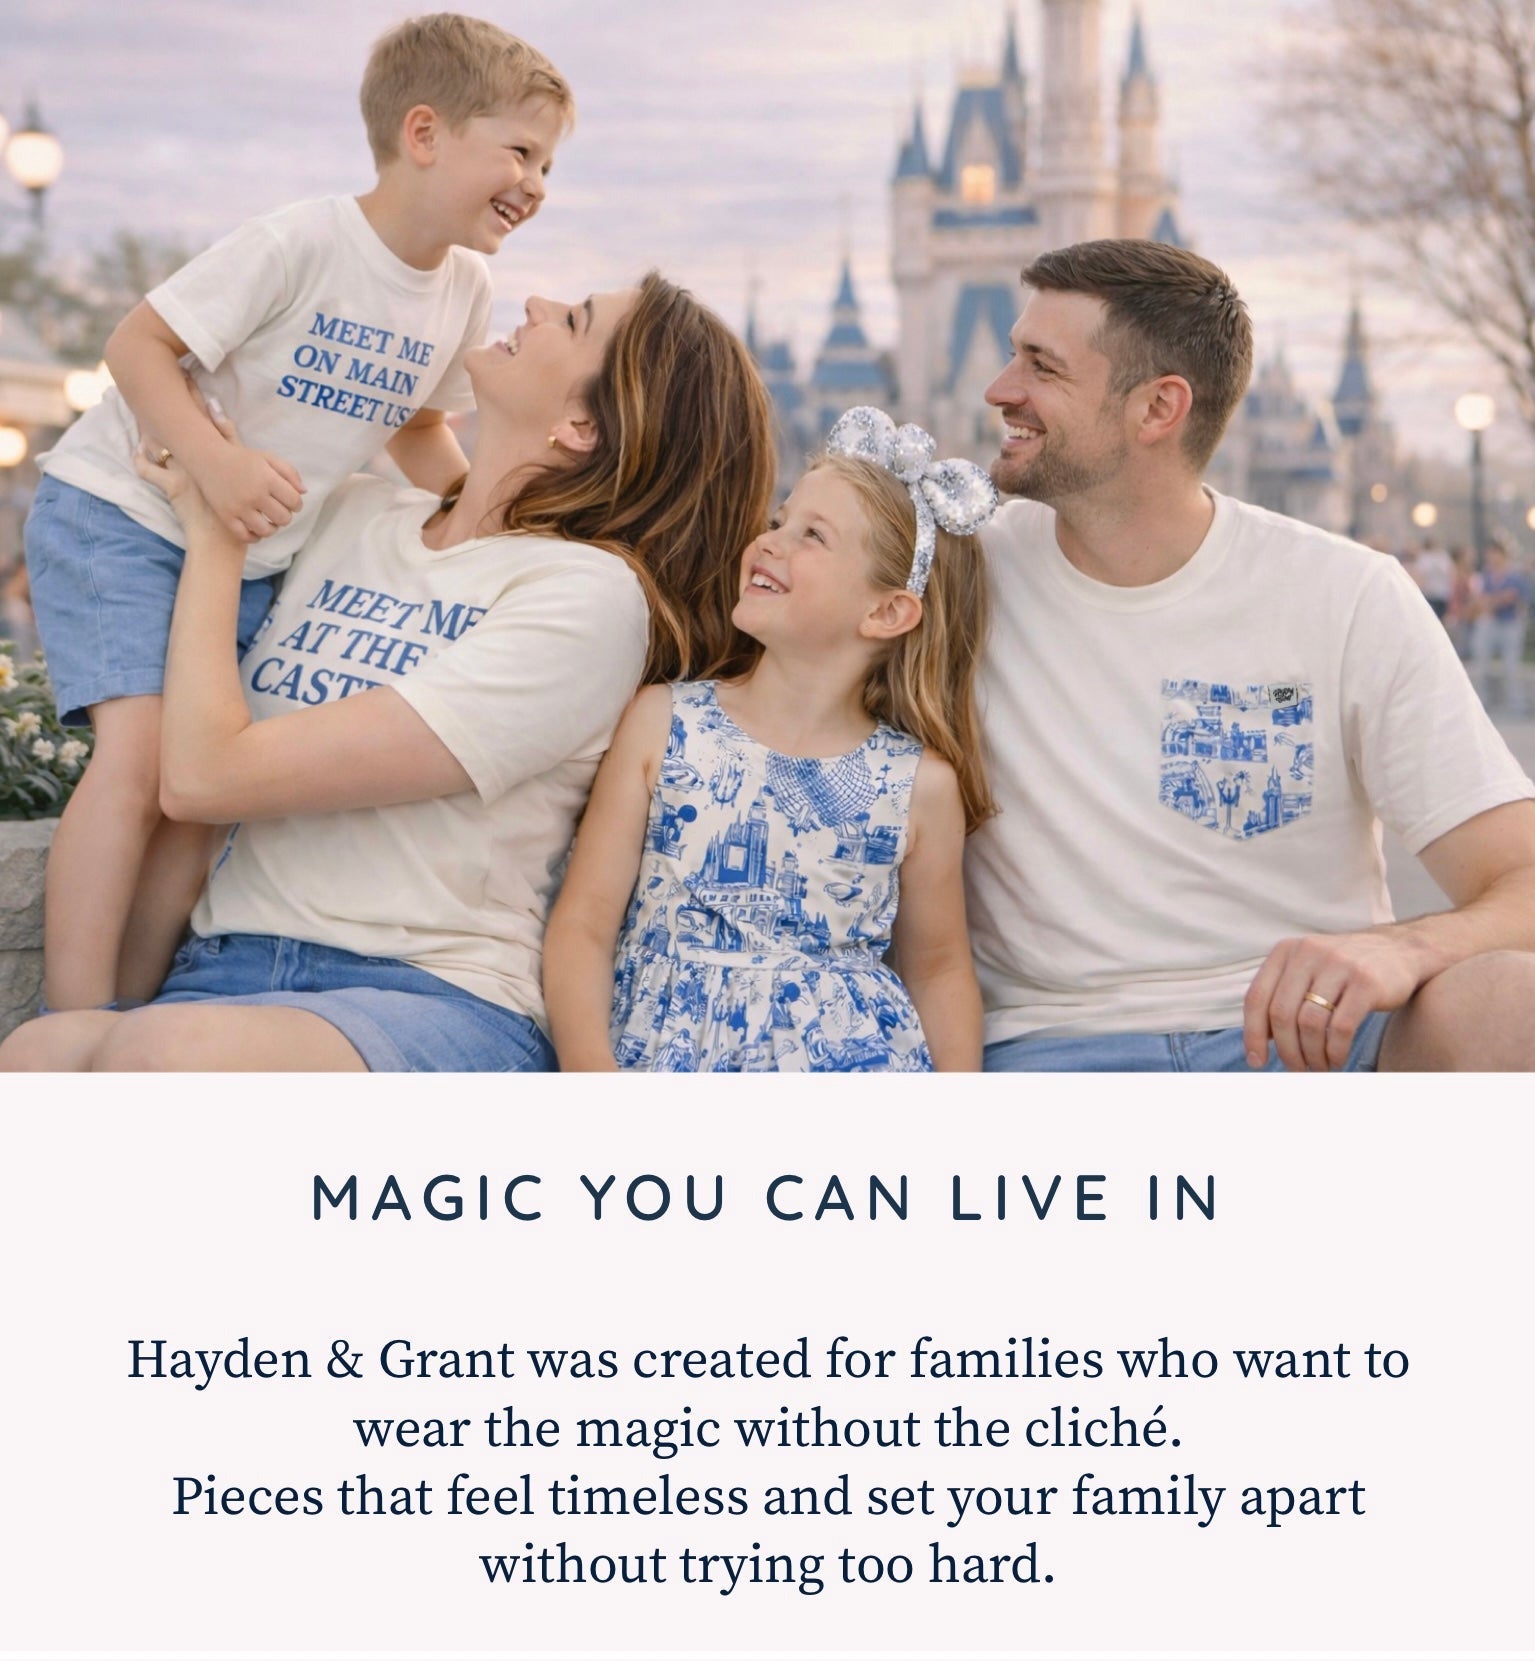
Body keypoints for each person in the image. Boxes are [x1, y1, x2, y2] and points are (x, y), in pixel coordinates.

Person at [0, 272, 776, 1072]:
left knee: (162, 1054)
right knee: (39, 1052)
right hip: (227, 970)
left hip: (434, 998)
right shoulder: (353, 512)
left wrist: (217, 534)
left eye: (573, 321)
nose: (536, 304)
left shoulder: (587, 596)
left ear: (581, 423)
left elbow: (201, 776)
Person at [25, 15, 570, 1015]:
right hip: (126, 513)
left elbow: (413, 428)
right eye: (521, 151)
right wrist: (218, 462)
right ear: (423, 134)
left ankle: (134, 1013)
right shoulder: (302, 241)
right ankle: (69, 1021)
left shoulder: (463, 287)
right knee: (142, 754)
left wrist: (484, 525)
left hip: (243, 550)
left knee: (201, 800)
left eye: (547, 162)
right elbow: (135, 345)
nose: (537, 182)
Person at [968, 238, 1535, 1073]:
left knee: (1505, 1003)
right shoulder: (954, 578)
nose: (999, 389)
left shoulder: (1345, 594)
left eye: (1040, 366)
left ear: (1158, 409)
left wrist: (1403, 950)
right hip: (1059, 1052)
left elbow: (1518, 873)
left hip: (1312, 1042)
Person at [543, 406, 997, 1072]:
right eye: (779, 519)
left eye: (812, 535)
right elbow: (582, 925)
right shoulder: (665, 723)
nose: (770, 541)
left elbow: (937, 969)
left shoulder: (918, 785)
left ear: (886, 610)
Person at [1468, 542, 1531, 718]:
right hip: (1490, 623)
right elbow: (1479, 600)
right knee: (1481, 663)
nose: (1492, 558)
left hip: (1510, 625)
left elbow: (1512, 597)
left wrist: (1492, 600)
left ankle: (1516, 705)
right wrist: (1495, 600)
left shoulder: (1515, 576)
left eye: (1495, 554)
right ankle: (1482, 703)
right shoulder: (1485, 577)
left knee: (1511, 666)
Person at [1408, 537, 1455, 623]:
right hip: (1430, 595)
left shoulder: (1443, 556)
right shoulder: (1423, 558)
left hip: (1443, 594)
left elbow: (1449, 572)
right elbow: (1421, 575)